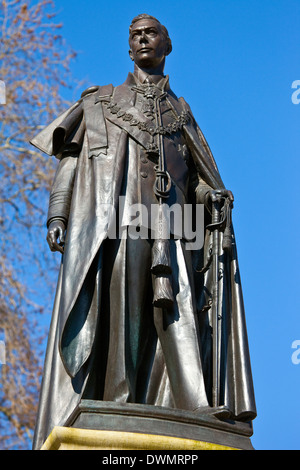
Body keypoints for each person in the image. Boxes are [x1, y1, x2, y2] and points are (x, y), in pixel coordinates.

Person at [30, 14, 256, 450]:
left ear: (166, 44)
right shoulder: (100, 102)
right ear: (128, 47)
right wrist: (57, 216)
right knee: (123, 311)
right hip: (119, 224)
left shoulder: (181, 111)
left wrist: (211, 198)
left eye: (150, 32)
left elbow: (199, 179)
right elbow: (71, 164)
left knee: (181, 312)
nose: (141, 38)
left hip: (176, 230)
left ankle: (192, 403)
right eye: (134, 35)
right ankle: (117, 400)